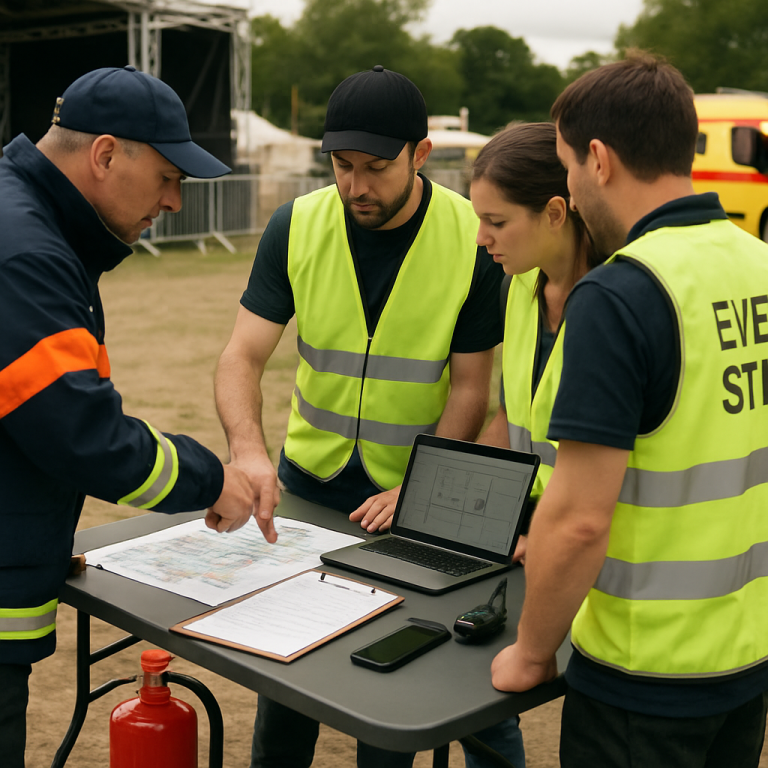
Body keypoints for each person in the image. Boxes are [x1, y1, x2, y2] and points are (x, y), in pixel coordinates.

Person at [214, 66, 504, 767]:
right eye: (341, 166)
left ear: (422, 154)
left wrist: (420, 490)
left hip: (410, 499)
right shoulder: (296, 224)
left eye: (376, 168)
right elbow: (240, 358)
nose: (355, 186)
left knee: (392, 695)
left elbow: (472, 387)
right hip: (307, 484)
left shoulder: (473, 239)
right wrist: (248, 451)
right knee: (285, 682)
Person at [490, 50, 768, 768]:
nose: (572, 191)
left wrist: (529, 652)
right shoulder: (757, 264)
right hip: (746, 657)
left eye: (568, 166)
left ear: (599, 159)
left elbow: (581, 518)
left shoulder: (620, 294)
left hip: (643, 680)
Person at [0, 66, 262, 768]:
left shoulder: (24, 218)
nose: (175, 202)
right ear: (107, 154)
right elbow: (79, 433)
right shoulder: (24, 250)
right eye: (169, 177)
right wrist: (212, 480)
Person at [467, 121, 602, 768]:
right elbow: (508, 416)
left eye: (496, 221)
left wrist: (542, 535)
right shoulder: (518, 286)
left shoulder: (620, 303)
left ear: (555, 212)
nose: (481, 238)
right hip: (530, 539)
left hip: (591, 549)